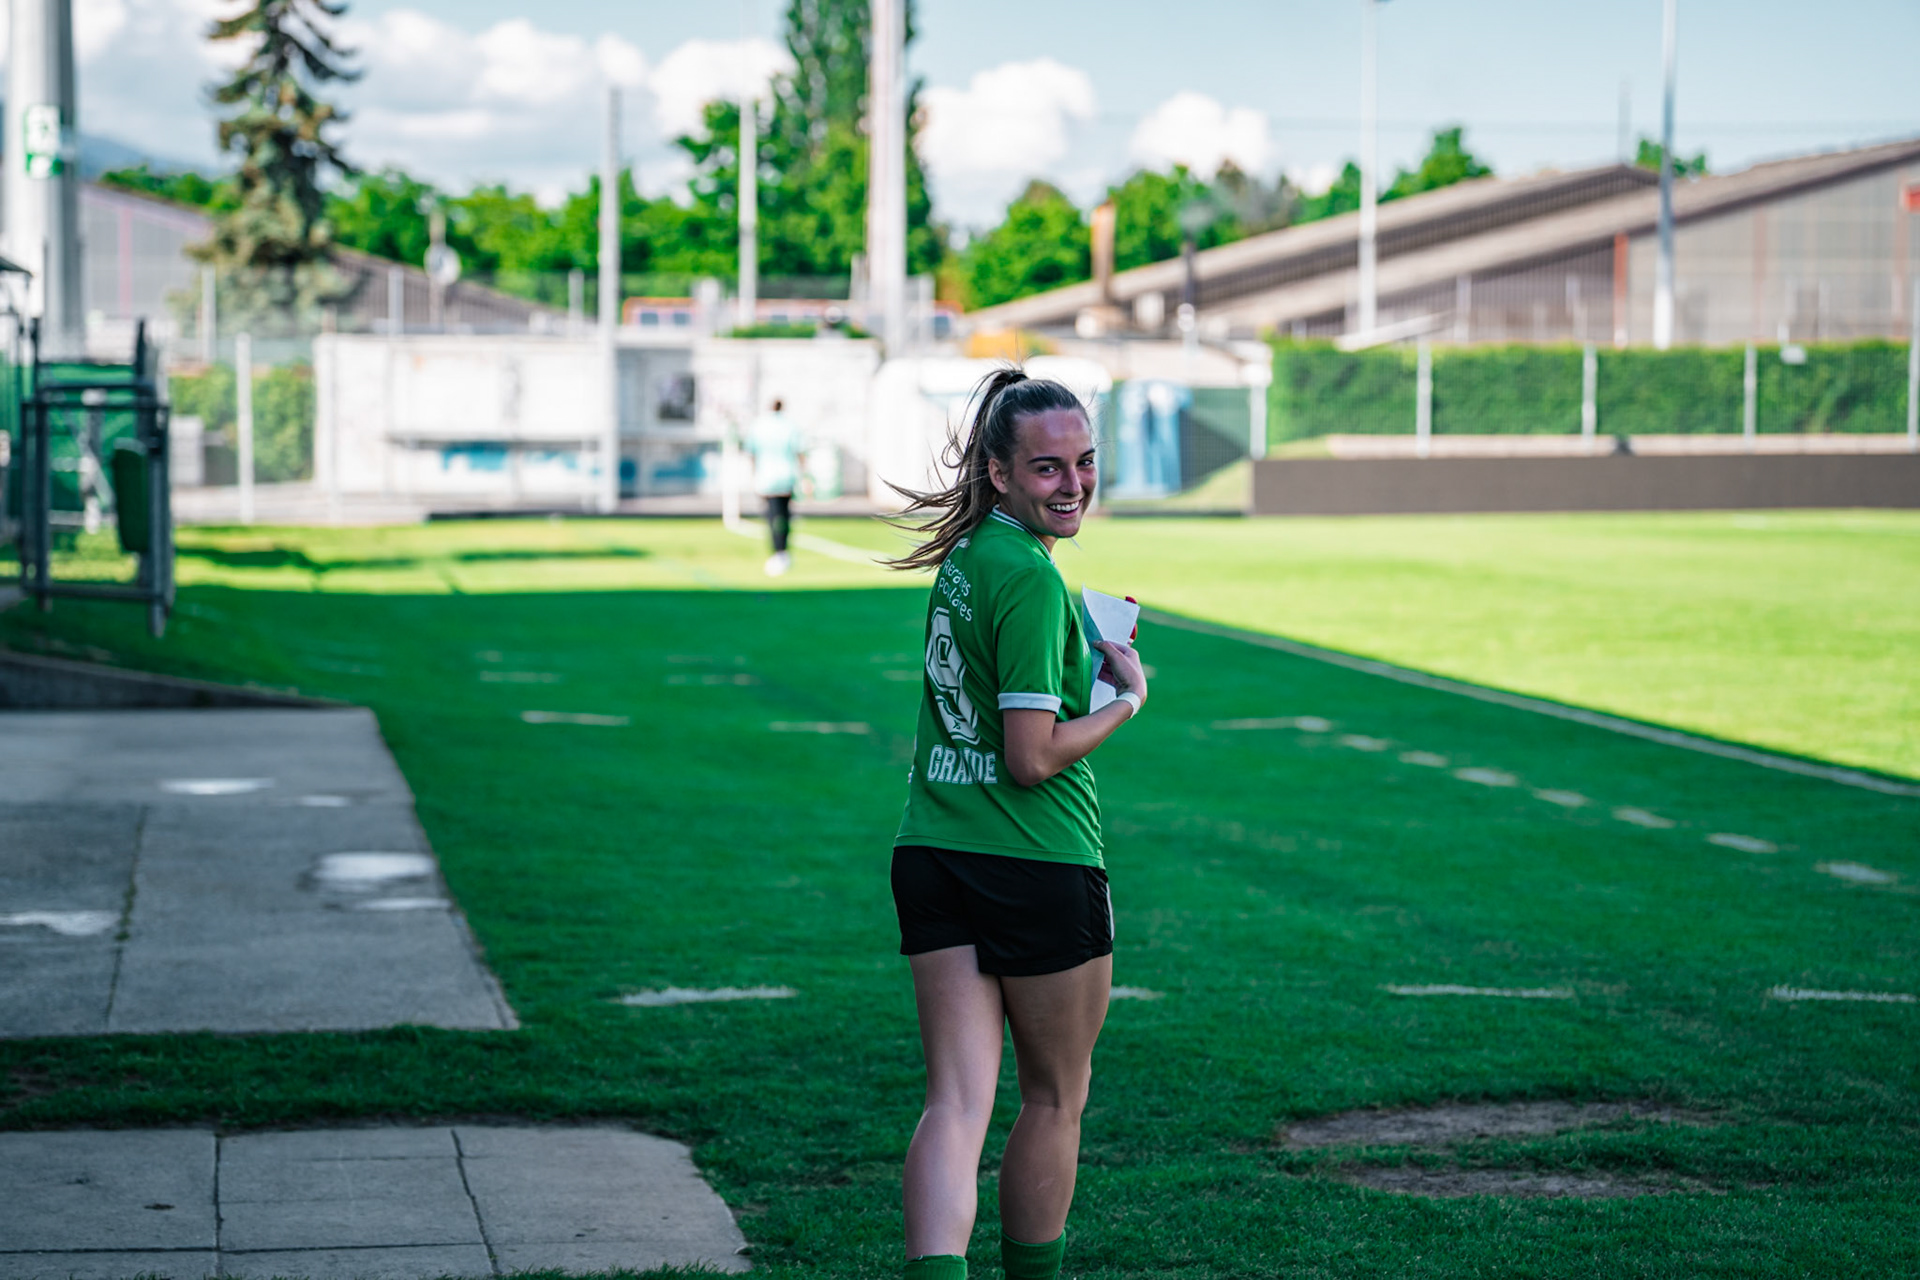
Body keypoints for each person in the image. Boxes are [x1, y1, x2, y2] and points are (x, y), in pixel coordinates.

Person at [883, 369, 1148, 1280]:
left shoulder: (966, 557)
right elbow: (1033, 757)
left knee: (955, 1103)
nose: (1072, 485)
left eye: (1083, 463)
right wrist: (1124, 701)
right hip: (1035, 861)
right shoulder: (1031, 579)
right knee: (1054, 1098)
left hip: (932, 849)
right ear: (998, 473)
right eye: (1046, 468)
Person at [747, 396, 805, 575]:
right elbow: (799, 451)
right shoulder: (790, 426)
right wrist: (804, 476)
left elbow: (752, 452)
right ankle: (783, 551)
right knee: (785, 516)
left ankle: (776, 552)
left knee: (772, 517)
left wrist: (754, 474)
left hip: (767, 478)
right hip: (786, 478)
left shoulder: (759, 426)